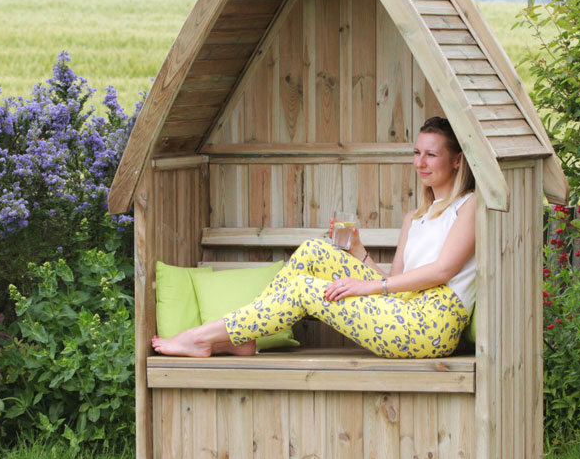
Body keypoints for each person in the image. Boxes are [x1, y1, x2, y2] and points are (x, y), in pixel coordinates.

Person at [151, 115, 477, 359]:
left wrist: (368, 285)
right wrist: (359, 251)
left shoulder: (469, 205)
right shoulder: (416, 217)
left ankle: (203, 335)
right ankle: (243, 336)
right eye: (417, 152)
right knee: (314, 250)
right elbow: (396, 283)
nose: (420, 163)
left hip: (432, 325)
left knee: (306, 289)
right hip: (404, 308)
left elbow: (441, 272)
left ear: (457, 159)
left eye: (431, 155)